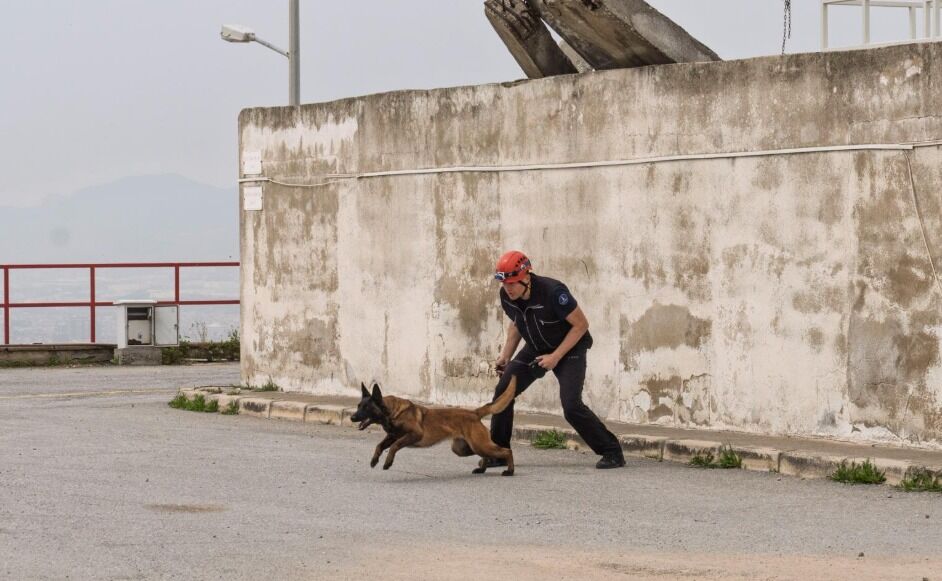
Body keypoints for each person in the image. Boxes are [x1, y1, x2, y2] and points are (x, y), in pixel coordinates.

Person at [487, 250, 625, 469]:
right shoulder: (507, 296)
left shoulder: (553, 292)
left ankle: (612, 451)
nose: (508, 288)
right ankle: (499, 453)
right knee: (503, 393)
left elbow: (581, 325)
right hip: (536, 347)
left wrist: (556, 356)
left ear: (526, 277)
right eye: (504, 284)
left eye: (512, 283)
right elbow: (516, 323)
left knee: (571, 406)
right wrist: (506, 355)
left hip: (570, 349)